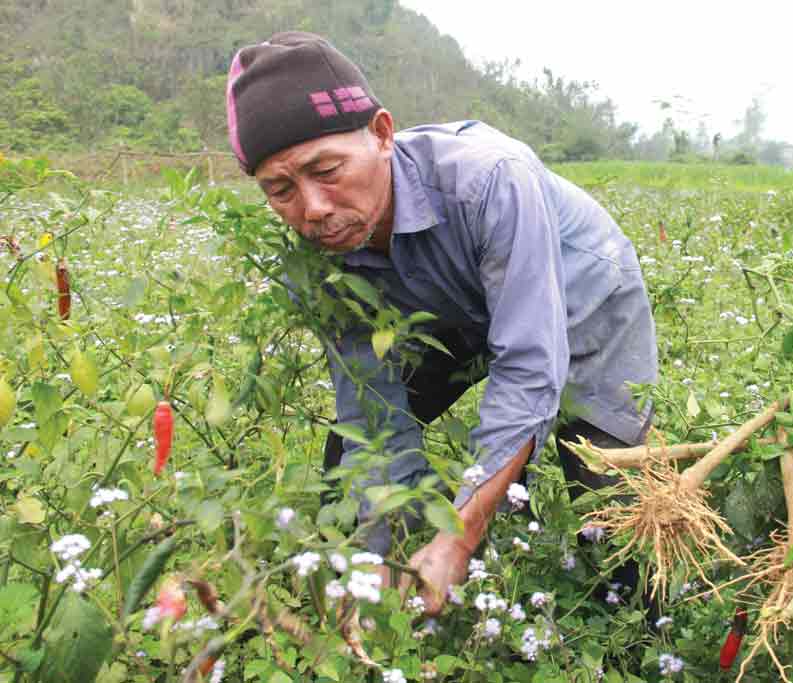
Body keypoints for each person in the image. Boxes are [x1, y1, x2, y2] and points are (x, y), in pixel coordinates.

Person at [226, 32, 658, 616]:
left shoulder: (488, 179)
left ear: (381, 134)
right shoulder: (315, 259)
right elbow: (371, 409)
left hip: (582, 295)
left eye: (326, 170)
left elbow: (529, 366)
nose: (314, 209)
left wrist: (459, 532)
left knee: (607, 481)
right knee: (354, 456)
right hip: (453, 311)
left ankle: (635, 631)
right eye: (280, 191)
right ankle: (445, 591)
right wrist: (385, 551)